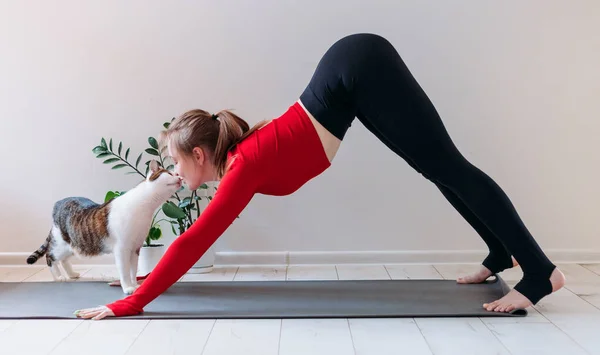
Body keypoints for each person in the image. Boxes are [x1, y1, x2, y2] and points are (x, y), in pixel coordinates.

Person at [74, 33, 565, 320]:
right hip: (353, 77)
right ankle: (501, 250)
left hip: (359, 67)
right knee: (434, 166)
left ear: (200, 154)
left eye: (176, 163)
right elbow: (193, 242)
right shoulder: (241, 161)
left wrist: (130, 304)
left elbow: (194, 241)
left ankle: (540, 272)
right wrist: (139, 289)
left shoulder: (242, 167)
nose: (174, 173)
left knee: (447, 165)